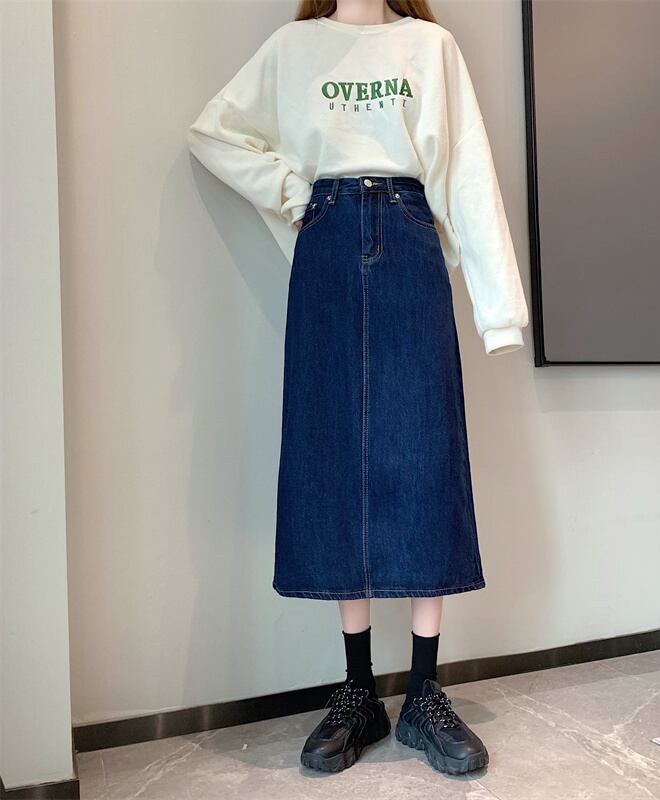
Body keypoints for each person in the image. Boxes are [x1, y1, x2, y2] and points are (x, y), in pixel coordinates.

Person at [187, 0, 529, 777]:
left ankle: (424, 692)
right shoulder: (293, 47)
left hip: (410, 236)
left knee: (424, 457)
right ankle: (356, 691)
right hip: (327, 243)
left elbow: (466, 169)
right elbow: (212, 132)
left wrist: (499, 312)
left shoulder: (429, 46)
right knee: (336, 455)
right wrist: (291, 190)